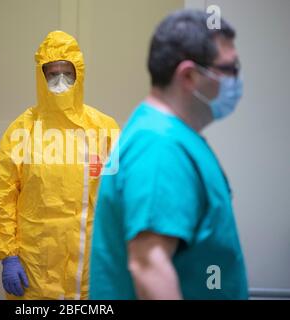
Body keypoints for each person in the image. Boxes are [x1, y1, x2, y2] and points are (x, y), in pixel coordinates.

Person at [89, 9, 248, 300]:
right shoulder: (159, 146)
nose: (236, 81)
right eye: (229, 69)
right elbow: (150, 267)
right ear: (189, 75)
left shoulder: (171, 136)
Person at [0, 30, 119, 300]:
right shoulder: (23, 129)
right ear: (41, 77)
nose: (60, 80)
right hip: (36, 268)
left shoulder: (104, 129)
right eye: (52, 73)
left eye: (67, 72)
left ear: (80, 74)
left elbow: (122, 195)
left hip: (91, 267)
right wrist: (8, 254)